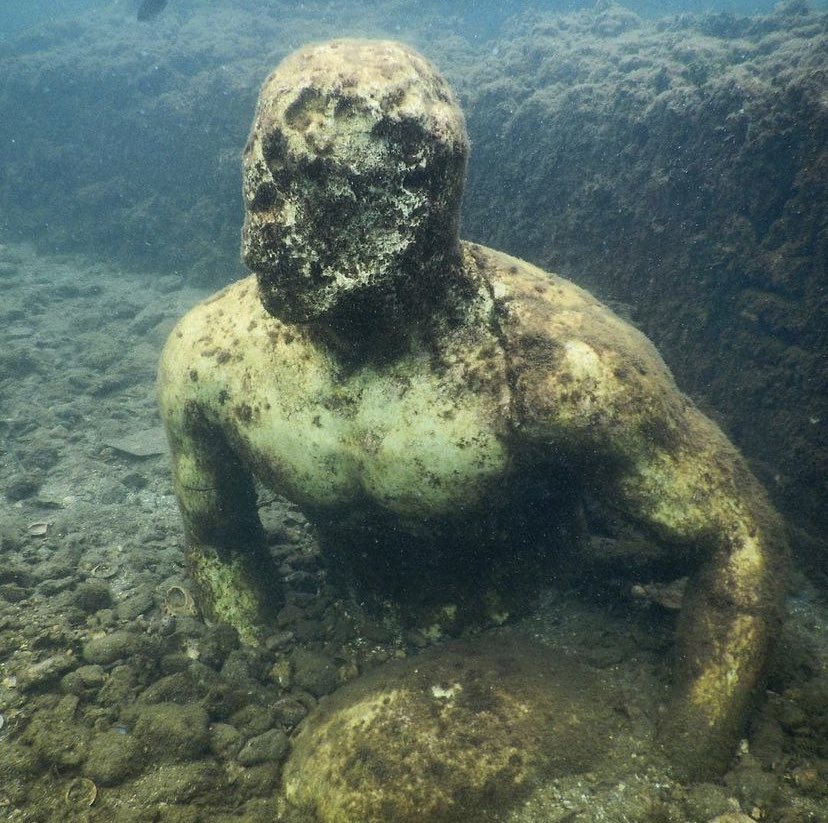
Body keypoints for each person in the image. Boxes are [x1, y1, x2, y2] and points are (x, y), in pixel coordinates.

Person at [158, 39, 787, 778]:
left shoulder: (558, 367)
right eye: (263, 189)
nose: (265, 238)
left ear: (419, 199)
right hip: (370, 620)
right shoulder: (212, 359)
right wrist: (249, 677)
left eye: (320, 190)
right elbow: (221, 538)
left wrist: (688, 757)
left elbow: (740, 538)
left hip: (542, 620)